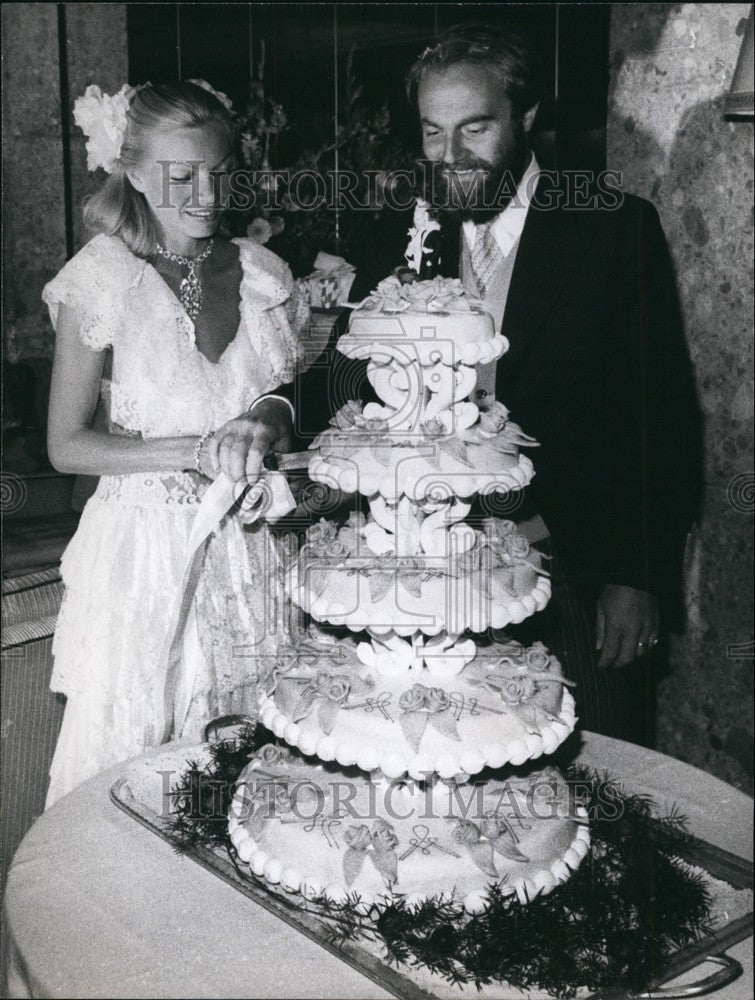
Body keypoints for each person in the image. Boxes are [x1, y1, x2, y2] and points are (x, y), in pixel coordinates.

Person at [344, 24, 702, 744]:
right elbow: (356, 393)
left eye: (474, 129)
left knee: (601, 773)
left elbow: (659, 414)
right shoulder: (396, 240)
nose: (450, 158)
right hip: (437, 578)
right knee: (461, 782)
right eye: (433, 132)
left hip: (580, 566)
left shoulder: (612, 230)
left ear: (526, 117)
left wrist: (636, 576)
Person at [42, 80, 312, 808]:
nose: (206, 194)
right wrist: (189, 452)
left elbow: (282, 400)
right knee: (139, 770)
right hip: (143, 559)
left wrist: (269, 417)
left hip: (249, 553)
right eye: (181, 175)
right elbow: (67, 446)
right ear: (131, 171)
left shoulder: (264, 276)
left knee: (251, 778)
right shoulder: (97, 280)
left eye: (220, 172)